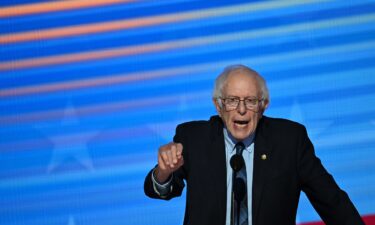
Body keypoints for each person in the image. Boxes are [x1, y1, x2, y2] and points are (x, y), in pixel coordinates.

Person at [144, 64, 364, 225]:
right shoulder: (193, 138)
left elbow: (332, 202)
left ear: (264, 105)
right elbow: (162, 190)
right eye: (232, 101)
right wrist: (163, 173)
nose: (241, 110)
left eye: (250, 101)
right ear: (218, 106)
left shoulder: (290, 141)